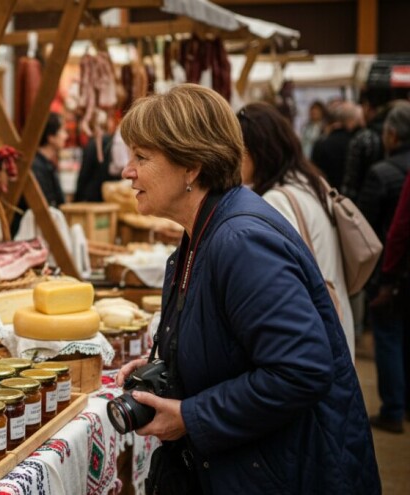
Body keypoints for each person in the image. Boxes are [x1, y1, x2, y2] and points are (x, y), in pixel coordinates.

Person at [114, 85, 378, 493]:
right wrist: (168, 367)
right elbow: (229, 345)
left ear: (192, 166)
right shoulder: (202, 232)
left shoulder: (240, 241)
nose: (126, 171)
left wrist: (191, 415)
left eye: (142, 157)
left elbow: (301, 370)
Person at [237, 102, 355, 359]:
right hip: (334, 323)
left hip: (314, 340)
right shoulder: (309, 181)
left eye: (239, 150)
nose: (234, 160)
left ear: (259, 150)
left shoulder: (278, 200)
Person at [357, 101, 410, 433]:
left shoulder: (382, 172)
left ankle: (393, 409)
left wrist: (384, 277)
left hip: (391, 270)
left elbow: (373, 229)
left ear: (391, 134)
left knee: (387, 338)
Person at [12, 112, 67, 235]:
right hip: (34, 233)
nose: (66, 136)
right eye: (63, 131)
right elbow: (45, 204)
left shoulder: (46, 164)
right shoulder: (36, 167)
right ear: (51, 137)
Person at [311, 101, 361, 189]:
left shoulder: (320, 144)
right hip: (350, 197)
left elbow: (315, 175)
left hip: (328, 193)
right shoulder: (355, 141)